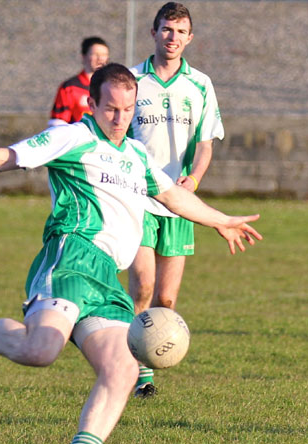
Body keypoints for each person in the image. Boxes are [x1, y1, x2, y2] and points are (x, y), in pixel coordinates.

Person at [0, 63, 261, 444]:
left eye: (129, 109)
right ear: (92, 104)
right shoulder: (72, 138)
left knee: (123, 368)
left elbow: (171, 196)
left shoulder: (136, 156)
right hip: (71, 258)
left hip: (106, 279)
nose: (120, 119)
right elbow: (5, 159)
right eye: (111, 109)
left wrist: (220, 220)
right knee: (40, 351)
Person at [128, 2, 225, 398]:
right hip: (137, 199)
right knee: (143, 289)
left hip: (178, 202)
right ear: (153, 33)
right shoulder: (132, 80)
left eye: (180, 31)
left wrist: (195, 179)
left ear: (190, 38)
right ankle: (139, 374)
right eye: (166, 30)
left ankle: (148, 361)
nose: (173, 37)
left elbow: (205, 143)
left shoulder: (200, 84)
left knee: (167, 298)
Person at [48, 36, 109, 126]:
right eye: (95, 54)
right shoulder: (69, 88)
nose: (100, 59)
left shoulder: (111, 87)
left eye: (104, 55)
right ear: (83, 57)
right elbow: (58, 124)